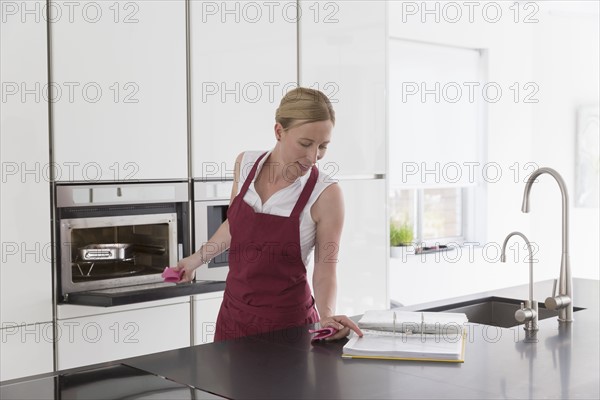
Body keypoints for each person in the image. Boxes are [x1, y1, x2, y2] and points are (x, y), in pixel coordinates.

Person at [175, 87, 363, 342]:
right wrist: (195, 260)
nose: (313, 157)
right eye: (306, 143)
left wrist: (327, 315)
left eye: (323, 146)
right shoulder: (245, 164)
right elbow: (235, 226)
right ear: (278, 131)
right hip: (233, 317)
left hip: (288, 325)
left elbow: (325, 268)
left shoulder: (326, 194)